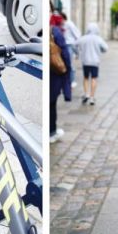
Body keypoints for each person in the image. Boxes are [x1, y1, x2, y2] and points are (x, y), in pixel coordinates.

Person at [50, 13, 71, 143]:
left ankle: (51, 131)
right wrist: (67, 72)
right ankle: (51, 132)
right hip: (55, 72)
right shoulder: (55, 31)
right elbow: (65, 54)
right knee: (51, 103)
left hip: (52, 72)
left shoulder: (53, 30)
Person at [76, 22, 108, 106]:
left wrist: (78, 52)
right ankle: (92, 97)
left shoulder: (83, 38)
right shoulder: (98, 39)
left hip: (85, 61)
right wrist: (100, 51)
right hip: (95, 62)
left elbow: (75, 44)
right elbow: (105, 48)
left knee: (86, 78)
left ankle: (86, 94)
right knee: (94, 78)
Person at [60, 11, 81, 91]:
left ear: (63, 18)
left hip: (69, 45)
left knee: (69, 64)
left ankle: (72, 81)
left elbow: (77, 34)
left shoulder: (69, 24)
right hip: (62, 45)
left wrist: (77, 46)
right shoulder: (60, 25)